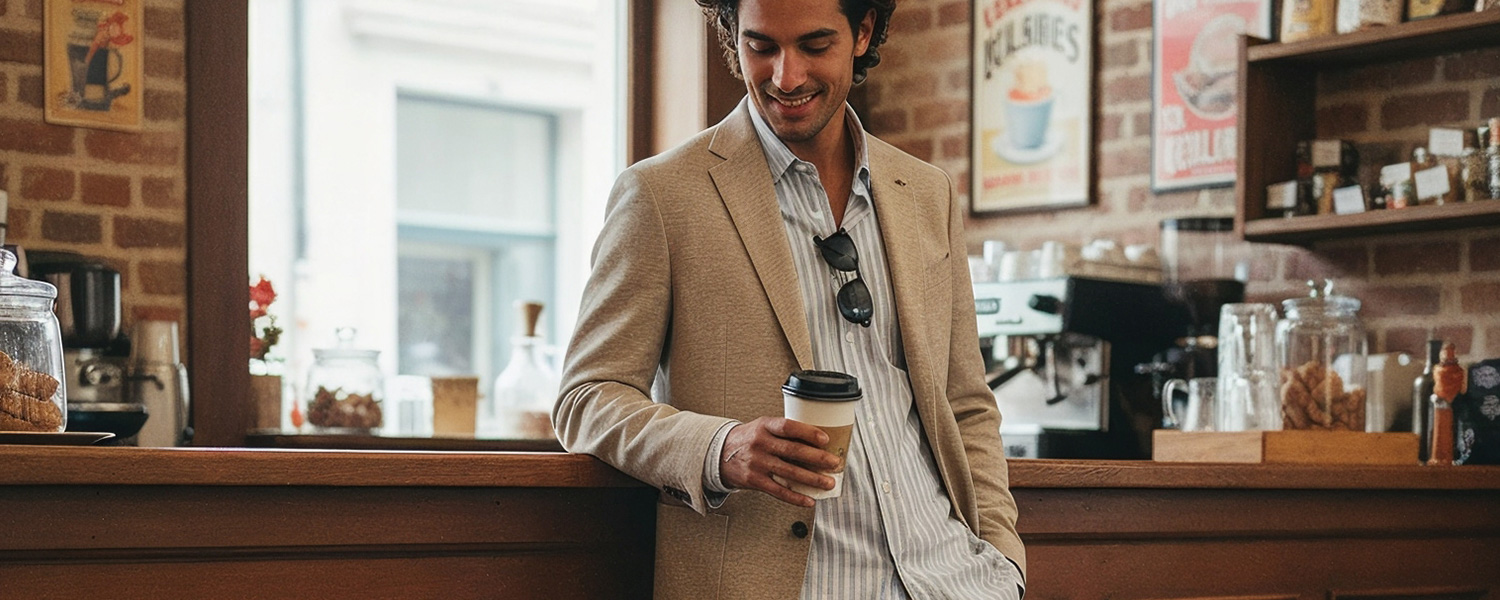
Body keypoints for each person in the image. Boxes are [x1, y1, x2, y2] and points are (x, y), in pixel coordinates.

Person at [553, 0, 1026, 597]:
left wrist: (1003, 559)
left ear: (863, 32)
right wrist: (719, 448)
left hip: (955, 579)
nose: (786, 76)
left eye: (814, 45)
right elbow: (587, 398)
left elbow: (966, 403)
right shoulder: (661, 195)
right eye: (761, 47)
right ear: (733, 35)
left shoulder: (926, 193)